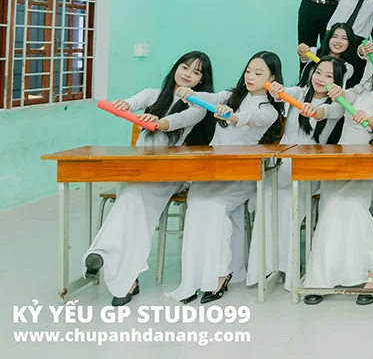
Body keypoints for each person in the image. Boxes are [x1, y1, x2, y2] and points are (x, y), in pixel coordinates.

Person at [83, 51, 214, 305]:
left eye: (196, 72)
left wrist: (158, 121)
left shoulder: (197, 107)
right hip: (138, 169)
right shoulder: (152, 94)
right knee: (133, 205)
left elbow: (175, 122)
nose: (188, 74)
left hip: (168, 174)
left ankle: (102, 253)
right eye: (185, 67)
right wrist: (123, 106)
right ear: (176, 68)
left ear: (201, 80)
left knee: (131, 199)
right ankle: (125, 278)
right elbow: (130, 104)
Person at [167, 51, 284, 304]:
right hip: (212, 170)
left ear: (272, 78)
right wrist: (190, 94)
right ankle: (195, 279)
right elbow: (207, 97)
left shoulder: (269, 110)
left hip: (241, 174)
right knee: (197, 205)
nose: (250, 77)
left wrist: (233, 116)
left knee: (215, 208)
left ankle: (220, 275)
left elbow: (249, 119)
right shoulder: (231, 96)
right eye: (249, 71)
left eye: (259, 73)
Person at [304, 54, 373, 305]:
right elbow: (338, 103)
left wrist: (369, 120)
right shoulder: (359, 92)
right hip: (339, 168)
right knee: (330, 209)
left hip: (370, 172)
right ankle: (321, 279)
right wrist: (322, 106)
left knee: (349, 206)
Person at [250, 59, 345, 291]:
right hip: (281, 165)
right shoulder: (299, 92)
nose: (320, 79)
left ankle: (289, 268)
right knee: (266, 198)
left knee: (289, 203)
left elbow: (325, 112)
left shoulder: (338, 105)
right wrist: (276, 90)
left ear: (338, 82)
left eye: (329, 76)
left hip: (308, 169)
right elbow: (283, 92)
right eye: (318, 72)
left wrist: (316, 111)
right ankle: (266, 267)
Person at [297, 22, 363, 88]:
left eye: (344, 38)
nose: (338, 41)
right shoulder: (315, 52)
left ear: (349, 43)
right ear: (328, 39)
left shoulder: (347, 67)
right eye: (335, 36)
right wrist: (302, 51)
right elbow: (305, 57)